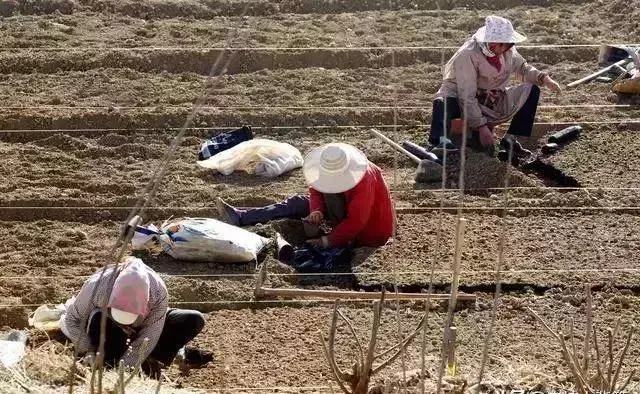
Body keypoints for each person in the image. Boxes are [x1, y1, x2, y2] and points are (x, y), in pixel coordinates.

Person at [428, 15, 562, 158]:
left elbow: (523, 68)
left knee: (531, 91)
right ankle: (441, 142)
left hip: (492, 99)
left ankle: (510, 140)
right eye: (507, 44)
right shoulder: (468, 55)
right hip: (463, 102)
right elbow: (466, 94)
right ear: (493, 44)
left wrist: (544, 79)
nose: (510, 47)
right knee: (444, 101)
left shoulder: (507, 51)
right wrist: (481, 126)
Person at [216, 143, 394, 249]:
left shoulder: (364, 178)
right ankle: (241, 216)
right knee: (297, 203)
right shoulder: (331, 167)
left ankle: (243, 217)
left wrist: (326, 241)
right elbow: (316, 188)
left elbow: (357, 221)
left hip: (371, 231)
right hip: (344, 211)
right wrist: (317, 210)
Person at [60, 257, 211, 375]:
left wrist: (125, 370)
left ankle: (152, 362)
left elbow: (149, 336)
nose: (127, 326)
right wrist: (89, 350)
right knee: (103, 325)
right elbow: (72, 319)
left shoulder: (158, 293)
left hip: (145, 325)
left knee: (193, 319)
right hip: (108, 325)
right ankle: (108, 358)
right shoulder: (98, 286)